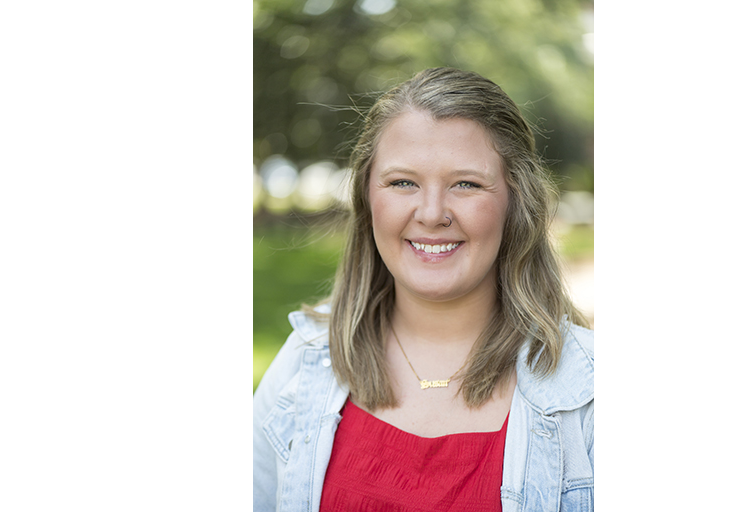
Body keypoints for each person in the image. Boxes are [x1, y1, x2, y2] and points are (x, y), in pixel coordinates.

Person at [253, 67, 593, 511]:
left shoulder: (589, 393)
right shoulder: (306, 361)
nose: (432, 214)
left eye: (466, 184)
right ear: (367, 198)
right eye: (403, 183)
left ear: (515, 202)